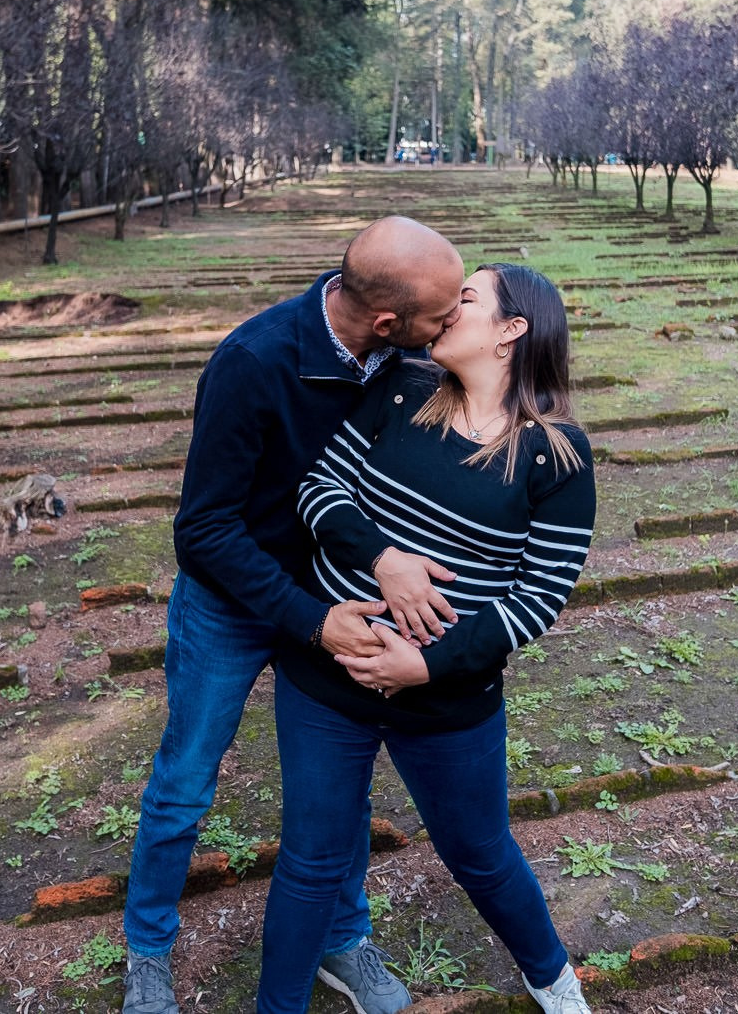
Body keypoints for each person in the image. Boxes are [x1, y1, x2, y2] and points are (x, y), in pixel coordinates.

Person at [120, 217, 466, 1014]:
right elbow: (202, 531)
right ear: (387, 320)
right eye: (442, 313)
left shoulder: (405, 360)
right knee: (185, 782)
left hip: (340, 594)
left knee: (335, 787)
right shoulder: (253, 361)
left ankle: (342, 938)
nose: (451, 324)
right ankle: (147, 951)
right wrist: (310, 620)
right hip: (234, 604)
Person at [259, 263, 598, 1014]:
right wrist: (383, 559)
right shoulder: (403, 390)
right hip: (326, 679)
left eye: (467, 300)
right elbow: (319, 489)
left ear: (512, 330)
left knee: (480, 855)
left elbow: (539, 596)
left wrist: (426, 663)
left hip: (449, 702)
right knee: (311, 862)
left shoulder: (557, 454)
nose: (445, 311)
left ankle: (558, 985)